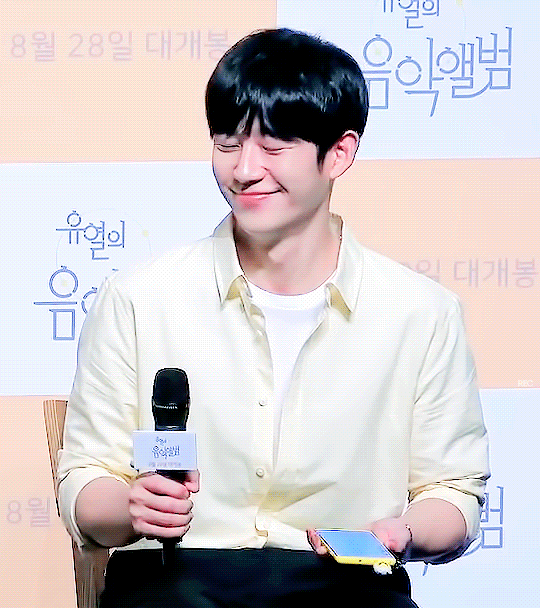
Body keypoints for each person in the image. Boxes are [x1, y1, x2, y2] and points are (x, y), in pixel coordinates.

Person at [58, 28, 489, 607]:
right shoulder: (138, 298)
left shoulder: (421, 313)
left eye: (274, 146)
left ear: (339, 153)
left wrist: (403, 533)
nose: (244, 170)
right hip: (175, 579)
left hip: (343, 582)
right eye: (227, 144)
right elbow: (86, 481)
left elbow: (452, 493)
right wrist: (132, 505)